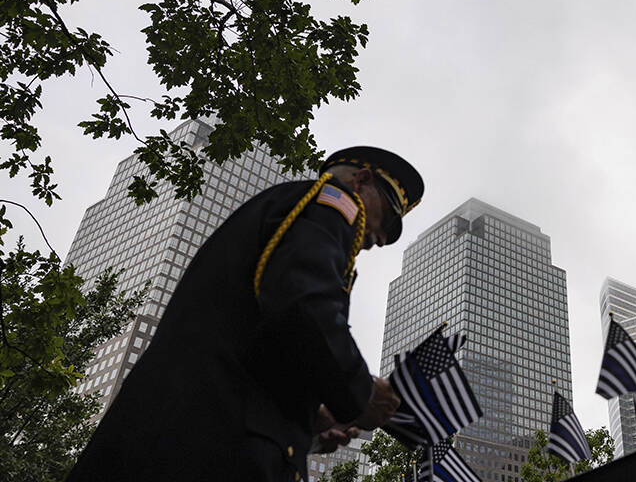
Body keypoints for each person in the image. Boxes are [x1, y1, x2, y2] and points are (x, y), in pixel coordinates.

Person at [67, 146, 424, 482]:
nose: (383, 237)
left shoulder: (293, 212)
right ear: (360, 181)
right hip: (207, 445)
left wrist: (308, 414)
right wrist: (359, 391)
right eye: (388, 216)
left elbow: (258, 331)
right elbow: (301, 302)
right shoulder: (332, 203)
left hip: (179, 435)